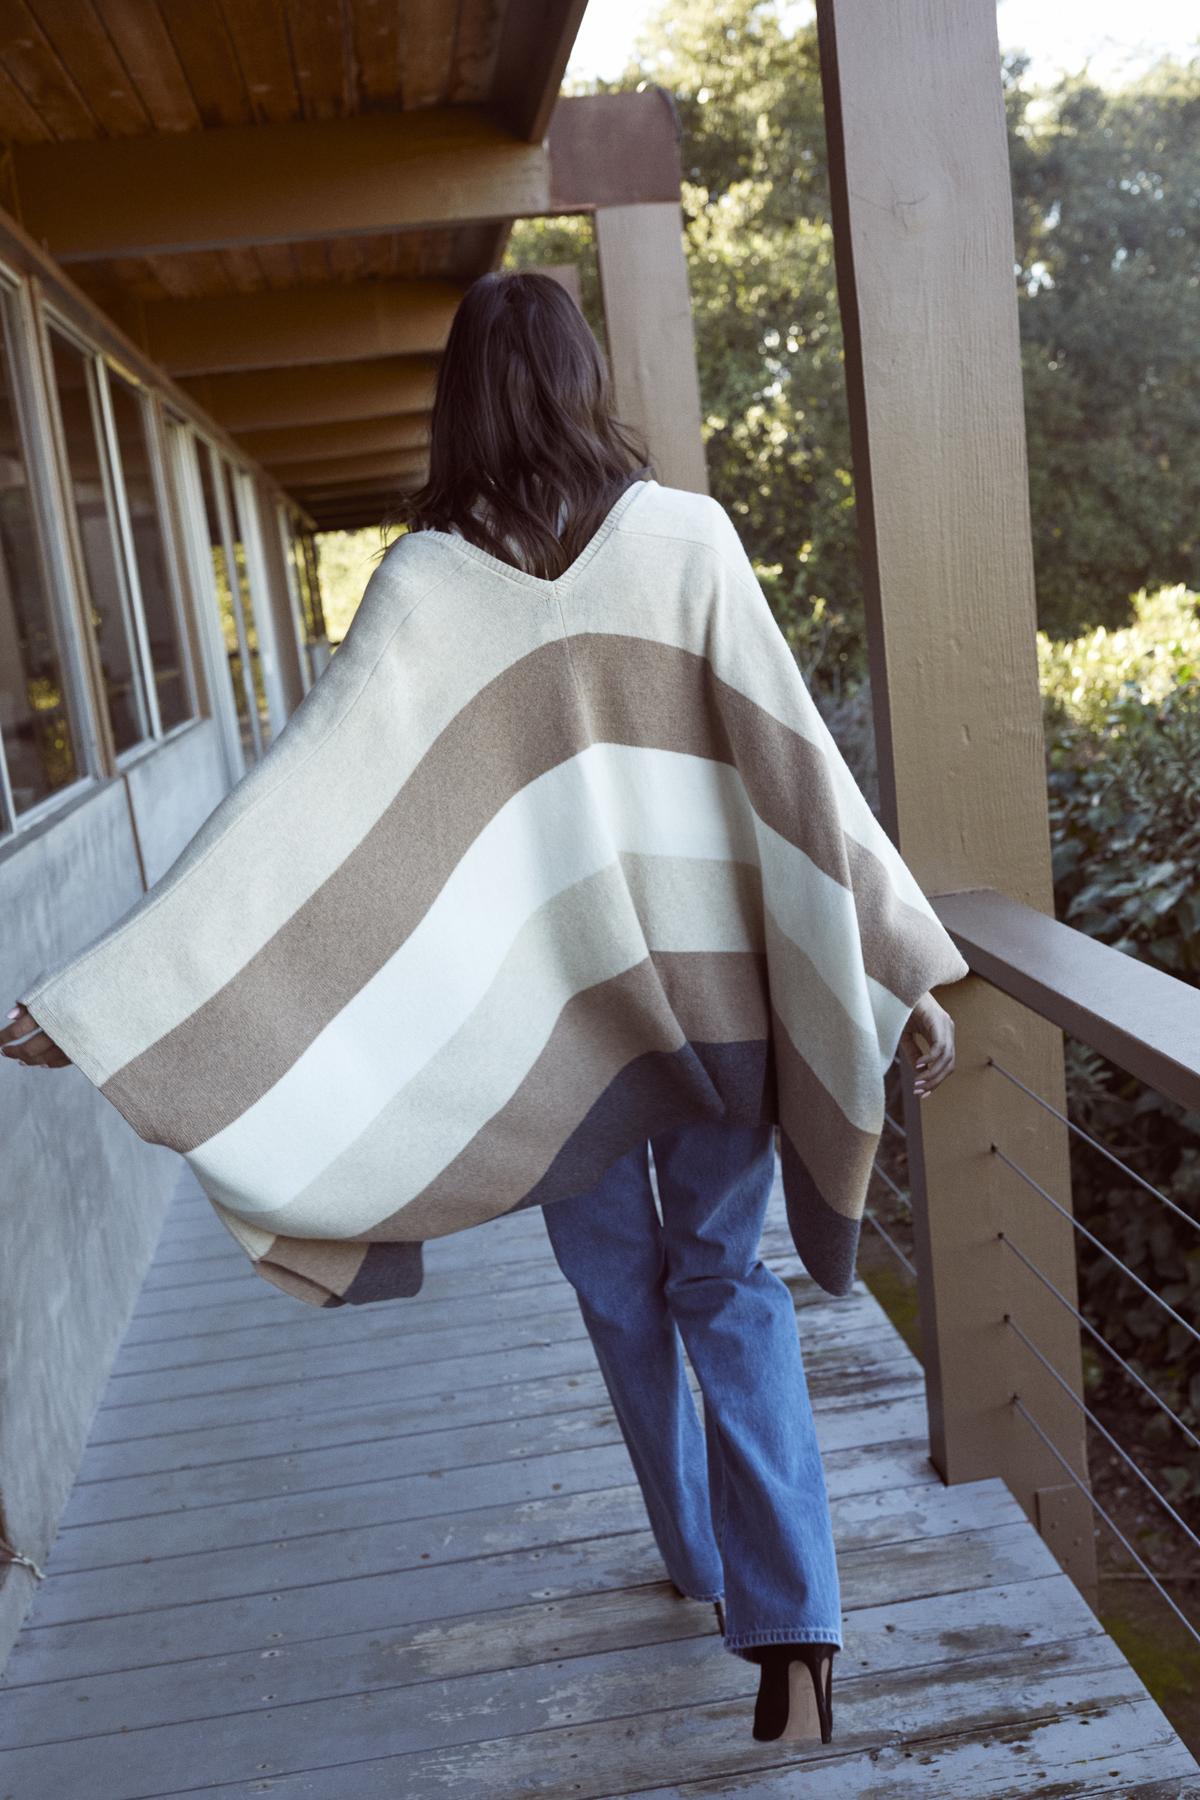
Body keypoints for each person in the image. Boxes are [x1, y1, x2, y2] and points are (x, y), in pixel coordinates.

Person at [2, 269, 958, 1745]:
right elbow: (802, 767)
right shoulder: (689, 542)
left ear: (459, 402)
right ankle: (796, 1627)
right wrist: (900, 960)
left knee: (621, 1296)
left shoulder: (424, 584)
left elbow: (289, 813)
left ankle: (700, 1562)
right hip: (721, 1014)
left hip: (554, 1046)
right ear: (583, 380)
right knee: (726, 1281)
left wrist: (103, 1001)